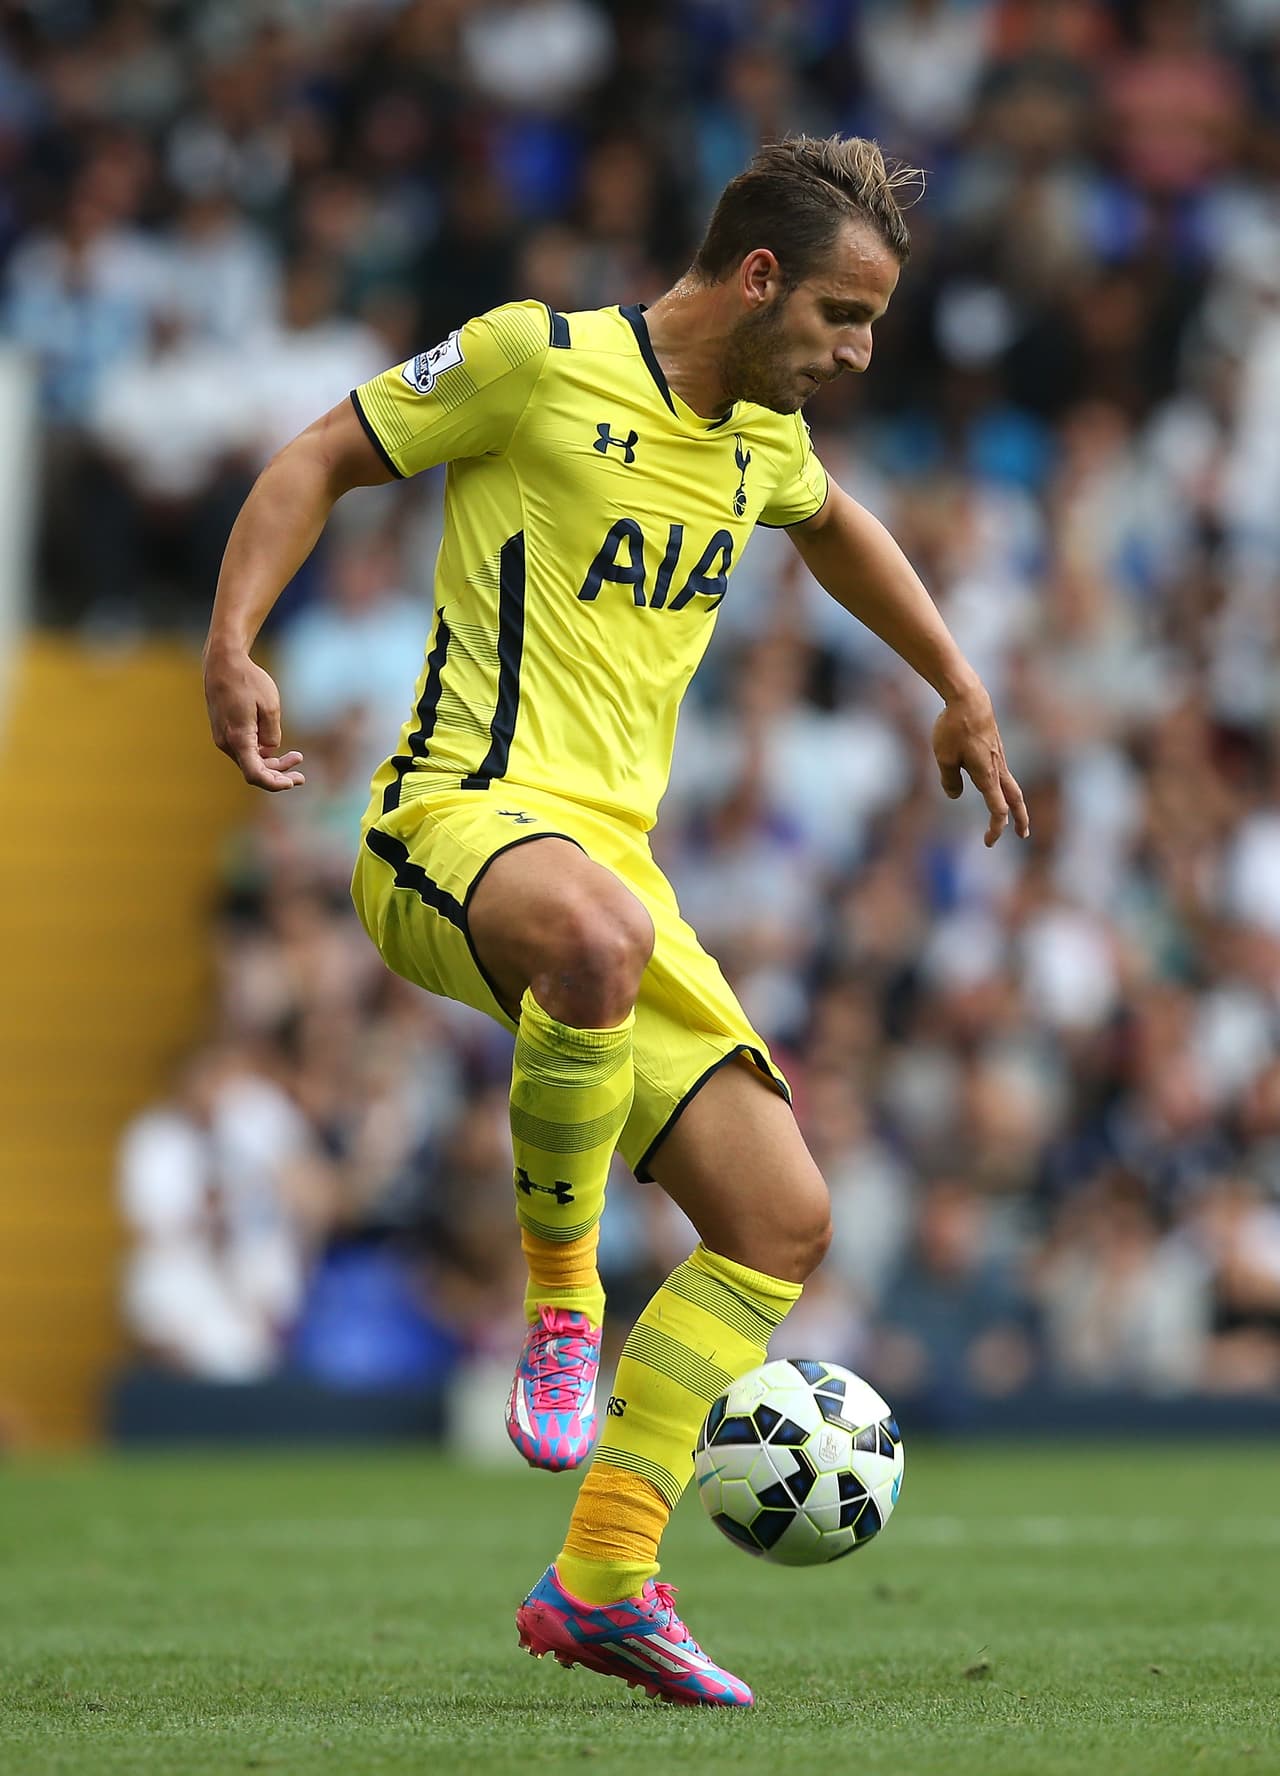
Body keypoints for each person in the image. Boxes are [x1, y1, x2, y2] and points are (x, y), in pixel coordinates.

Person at [203, 135, 1029, 1708]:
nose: (856, 356)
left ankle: (602, 1579)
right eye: (845, 319)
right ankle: (565, 1300)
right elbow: (317, 453)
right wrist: (235, 641)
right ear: (762, 276)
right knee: (591, 937)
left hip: (615, 884)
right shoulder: (534, 360)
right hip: (448, 822)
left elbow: (835, 523)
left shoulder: (756, 439)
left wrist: (961, 681)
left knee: (782, 1220)